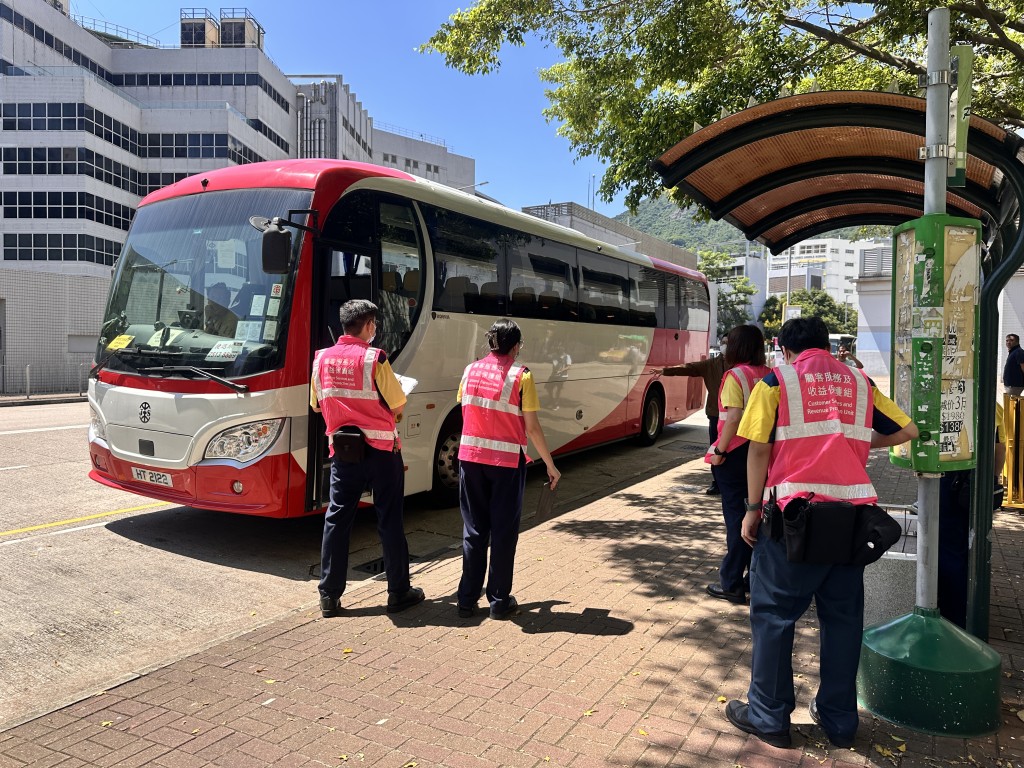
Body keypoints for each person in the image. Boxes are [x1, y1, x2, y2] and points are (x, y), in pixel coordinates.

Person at [726, 316, 917, 750]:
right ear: (827, 346)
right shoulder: (860, 382)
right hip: (852, 523)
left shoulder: (776, 382)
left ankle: (769, 716)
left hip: (793, 521)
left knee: (775, 617)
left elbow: (758, 447)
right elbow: (908, 430)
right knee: (844, 622)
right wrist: (855, 443)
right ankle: (840, 721)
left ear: (786, 349)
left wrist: (752, 509)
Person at [311, 299, 424, 617]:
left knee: (337, 519)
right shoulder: (376, 358)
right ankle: (399, 592)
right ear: (369, 326)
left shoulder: (320, 359)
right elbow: (398, 405)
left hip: (344, 453)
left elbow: (317, 405)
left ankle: (329, 597)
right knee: (389, 520)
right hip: (382, 453)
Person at [456, 319, 561, 620]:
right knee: (502, 532)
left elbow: (465, 406)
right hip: (505, 465)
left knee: (474, 530)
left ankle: (465, 600)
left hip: (471, 460)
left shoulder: (470, 370)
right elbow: (532, 428)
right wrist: (550, 465)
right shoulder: (521, 376)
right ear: (516, 346)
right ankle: (499, 601)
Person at [702, 325, 770, 603]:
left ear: (735, 347)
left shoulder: (735, 376)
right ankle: (752, 578)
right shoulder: (769, 374)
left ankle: (731, 582)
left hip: (735, 454)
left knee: (736, 519)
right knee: (757, 512)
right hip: (763, 452)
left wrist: (719, 450)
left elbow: (733, 417)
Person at [938, 401, 1007, 628]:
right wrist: (993, 480)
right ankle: (965, 609)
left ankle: (951, 617)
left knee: (949, 549)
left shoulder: (942, 398)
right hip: (975, 482)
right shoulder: (990, 403)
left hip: (947, 479)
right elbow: (999, 447)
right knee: (968, 544)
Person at [662, 338, 728, 494]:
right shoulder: (711, 365)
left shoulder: (741, 366)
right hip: (716, 414)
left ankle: (729, 482)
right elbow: (688, 368)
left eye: (728, 342)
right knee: (715, 449)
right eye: (723, 341)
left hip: (736, 416)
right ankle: (717, 482)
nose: (725, 345)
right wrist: (665, 371)